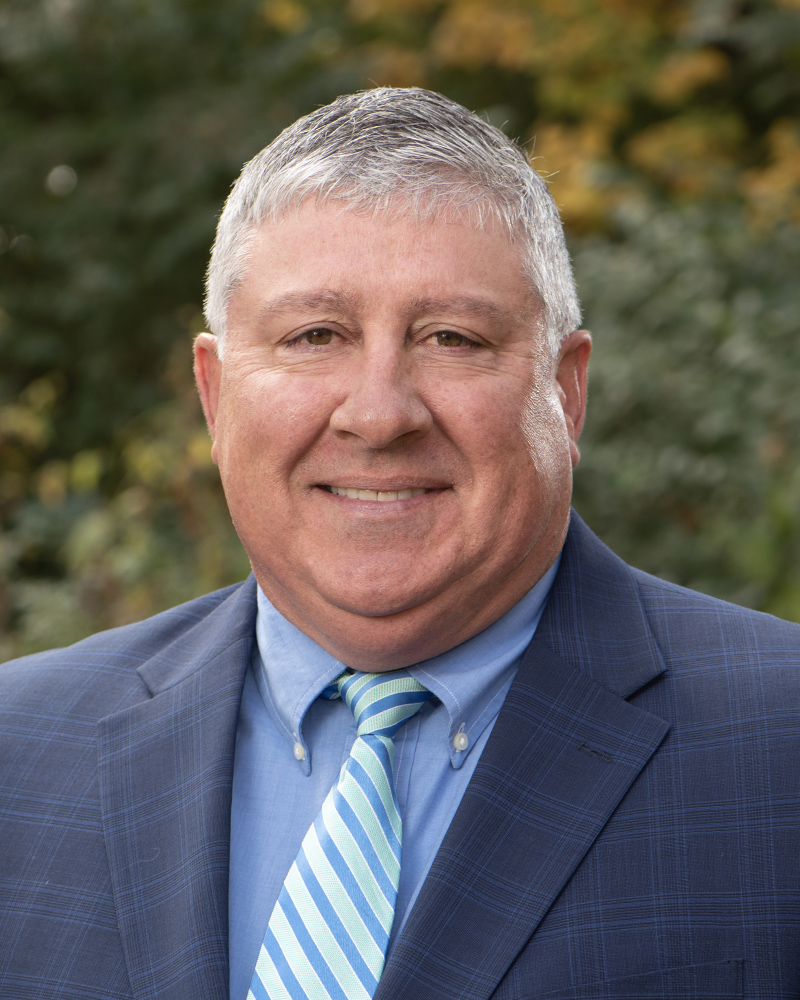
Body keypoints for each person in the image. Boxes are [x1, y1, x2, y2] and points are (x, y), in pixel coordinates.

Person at [0, 88, 798, 1000]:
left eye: (452, 338)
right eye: (315, 335)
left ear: (566, 393)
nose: (380, 415)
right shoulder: (16, 755)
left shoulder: (783, 748)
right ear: (215, 397)